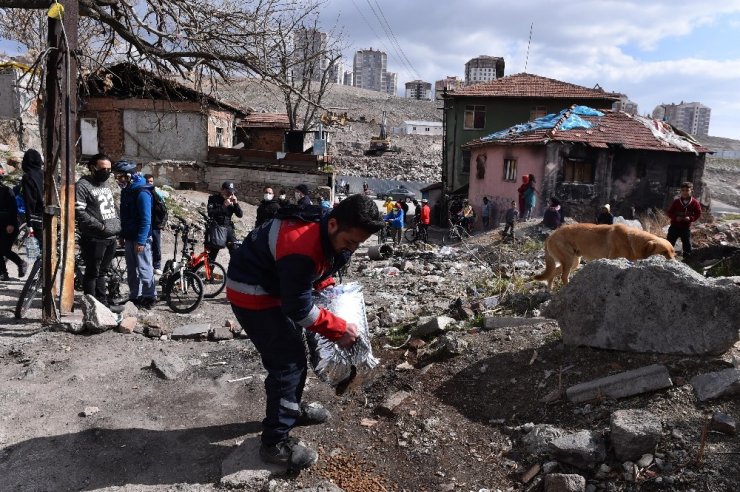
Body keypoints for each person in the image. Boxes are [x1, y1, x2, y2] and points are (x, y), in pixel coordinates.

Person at [226, 194, 384, 470]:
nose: (353, 249)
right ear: (333, 224)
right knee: (288, 363)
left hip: (272, 286)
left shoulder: (326, 231)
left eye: (358, 244)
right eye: (350, 242)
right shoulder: (302, 247)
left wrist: (328, 288)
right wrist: (338, 329)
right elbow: (298, 309)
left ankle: (289, 410)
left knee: (294, 355)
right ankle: (274, 443)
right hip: (251, 292)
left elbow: (319, 271)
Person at [76, 154, 121, 304]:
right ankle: (91, 306)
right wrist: (100, 226)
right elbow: (79, 212)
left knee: (103, 272)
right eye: (103, 169)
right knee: (92, 272)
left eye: (109, 169)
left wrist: (117, 224)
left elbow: (113, 207)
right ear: (92, 167)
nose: (106, 172)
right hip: (94, 238)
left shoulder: (106, 185)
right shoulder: (83, 185)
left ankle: (103, 303)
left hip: (110, 237)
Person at [114, 160, 157, 309]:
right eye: (117, 177)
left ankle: (149, 297)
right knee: (131, 269)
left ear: (130, 176)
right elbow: (124, 216)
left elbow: (146, 220)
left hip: (141, 238)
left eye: (121, 177)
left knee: (144, 268)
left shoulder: (142, 192)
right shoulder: (127, 190)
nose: (118, 180)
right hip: (129, 236)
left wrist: (141, 241)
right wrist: (122, 234)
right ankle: (134, 296)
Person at [207, 181, 244, 263]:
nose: (229, 194)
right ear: (222, 190)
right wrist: (224, 206)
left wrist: (236, 203)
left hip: (228, 229)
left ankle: (233, 273)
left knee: (235, 250)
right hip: (217, 228)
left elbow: (240, 215)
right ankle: (209, 274)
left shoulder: (231, 200)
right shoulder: (213, 199)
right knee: (213, 253)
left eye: (231, 192)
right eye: (227, 191)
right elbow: (210, 213)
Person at [0, 176, 26, 280]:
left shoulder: (7, 190)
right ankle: (3, 273)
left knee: (4, 250)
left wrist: (11, 224)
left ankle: (21, 263)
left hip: (8, 226)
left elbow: (13, 208)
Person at [666, 181, 701, 256]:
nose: (685, 192)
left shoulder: (695, 203)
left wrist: (691, 218)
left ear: (691, 191)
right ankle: (667, 258)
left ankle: (687, 261)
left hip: (685, 228)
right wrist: (675, 218)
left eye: (687, 190)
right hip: (674, 227)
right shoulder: (676, 202)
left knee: (687, 246)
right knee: (669, 244)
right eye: (683, 190)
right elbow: (669, 212)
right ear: (680, 191)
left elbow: (698, 213)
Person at [20, 149, 44, 249]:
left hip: (37, 218)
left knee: (41, 251)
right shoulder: (46, 174)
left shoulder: (28, 177)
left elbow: (30, 202)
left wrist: (30, 224)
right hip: (52, 215)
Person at [144, 174, 164, 274]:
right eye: (148, 181)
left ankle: (157, 266)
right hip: (145, 223)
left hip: (155, 224)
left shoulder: (156, 193)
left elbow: (163, 209)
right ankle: (145, 266)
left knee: (156, 245)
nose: (149, 183)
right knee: (144, 245)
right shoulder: (141, 193)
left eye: (151, 181)